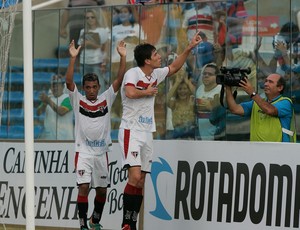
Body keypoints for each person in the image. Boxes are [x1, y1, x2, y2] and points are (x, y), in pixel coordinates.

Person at [118, 32, 202, 230]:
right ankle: (126, 223)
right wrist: (146, 92)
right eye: (156, 54)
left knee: (142, 181)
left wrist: (189, 48)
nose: (159, 57)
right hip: (131, 130)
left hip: (147, 131)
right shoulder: (133, 73)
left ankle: (131, 222)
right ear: (147, 60)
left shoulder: (155, 74)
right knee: (135, 177)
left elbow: (174, 67)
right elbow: (129, 92)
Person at [65, 39, 126, 230]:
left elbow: (119, 80)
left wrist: (123, 57)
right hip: (83, 152)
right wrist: (73, 58)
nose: (91, 90)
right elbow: (68, 81)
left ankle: (95, 221)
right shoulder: (78, 100)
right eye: (88, 87)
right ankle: (83, 225)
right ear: (84, 88)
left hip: (101, 153)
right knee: (83, 187)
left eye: (94, 87)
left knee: (101, 192)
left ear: (98, 87)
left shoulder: (107, 97)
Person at [225, 73, 296, 142]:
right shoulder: (257, 102)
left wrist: (252, 93)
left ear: (280, 87)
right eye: (266, 81)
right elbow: (234, 109)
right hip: (257, 150)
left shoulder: (285, 102)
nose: (266, 84)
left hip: (278, 151)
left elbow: (270, 110)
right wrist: (228, 88)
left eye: (270, 82)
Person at [78, 9, 110, 94]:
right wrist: (84, 45)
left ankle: (100, 104)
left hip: (97, 61)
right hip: (84, 61)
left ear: (96, 18)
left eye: (92, 17)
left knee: (99, 84)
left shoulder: (102, 31)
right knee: (85, 84)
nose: (90, 19)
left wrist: (91, 44)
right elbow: (79, 47)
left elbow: (104, 48)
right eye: (87, 18)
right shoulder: (83, 31)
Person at [36, 74, 74, 140]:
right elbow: (38, 113)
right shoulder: (49, 98)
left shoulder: (68, 98)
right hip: (50, 139)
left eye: (57, 85)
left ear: (62, 86)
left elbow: (61, 111)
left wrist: (48, 100)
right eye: (53, 86)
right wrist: (44, 103)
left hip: (66, 139)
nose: (55, 88)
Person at [195, 63, 225, 140]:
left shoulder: (221, 90)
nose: (206, 76)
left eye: (210, 74)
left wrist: (212, 107)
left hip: (216, 135)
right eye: (204, 73)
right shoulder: (200, 89)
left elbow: (223, 112)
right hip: (201, 135)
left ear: (216, 77)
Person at [167, 68, 196, 139]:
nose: (182, 91)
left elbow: (197, 94)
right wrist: (177, 83)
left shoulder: (192, 102)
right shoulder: (174, 103)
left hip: (191, 135)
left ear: (189, 90)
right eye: (180, 89)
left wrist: (187, 81)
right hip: (177, 136)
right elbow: (166, 100)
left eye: (185, 89)